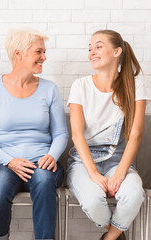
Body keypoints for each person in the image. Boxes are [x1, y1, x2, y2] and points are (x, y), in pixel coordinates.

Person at [0, 28, 68, 240]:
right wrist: (9, 161)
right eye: (39, 52)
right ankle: (0, 237)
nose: (44, 57)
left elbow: (61, 132)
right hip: (3, 162)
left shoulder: (50, 89)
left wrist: (52, 156)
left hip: (42, 160)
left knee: (44, 182)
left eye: (44, 52)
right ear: (19, 53)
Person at [66, 30, 149, 240]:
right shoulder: (80, 85)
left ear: (117, 51)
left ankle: (109, 237)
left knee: (133, 195)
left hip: (118, 161)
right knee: (94, 201)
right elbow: (77, 135)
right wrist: (93, 173)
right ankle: (116, 235)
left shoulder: (135, 84)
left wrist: (120, 174)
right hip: (83, 163)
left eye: (99, 46)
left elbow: (136, 134)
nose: (92, 52)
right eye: (90, 48)